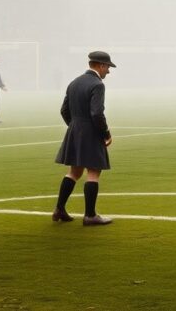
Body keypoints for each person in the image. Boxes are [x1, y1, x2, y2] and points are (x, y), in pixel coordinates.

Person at [52, 51, 117, 226]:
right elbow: (96, 113)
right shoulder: (97, 84)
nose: (108, 72)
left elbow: (64, 110)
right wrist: (106, 133)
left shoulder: (74, 82)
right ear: (101, 65)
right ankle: (90, 215)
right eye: (108, 67)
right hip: (91, 132)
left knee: (74, 172)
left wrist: (75, 127)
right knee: (94, 172)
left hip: (75, 130)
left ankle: (59, 209)